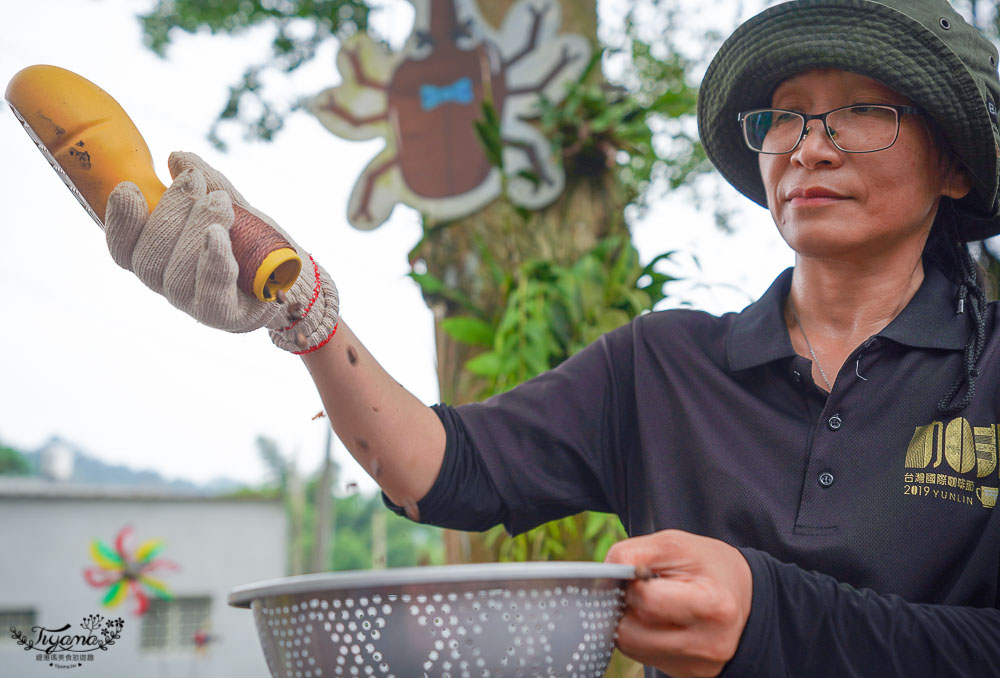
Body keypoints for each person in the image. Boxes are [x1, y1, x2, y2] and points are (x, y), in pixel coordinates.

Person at [102, 0, 1000, 675]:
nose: (809, 146)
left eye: (862, 111)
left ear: (955, 164)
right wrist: (301, 305)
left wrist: (772, 613)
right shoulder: (663, 365)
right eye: (785, 115)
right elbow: (442, 469)